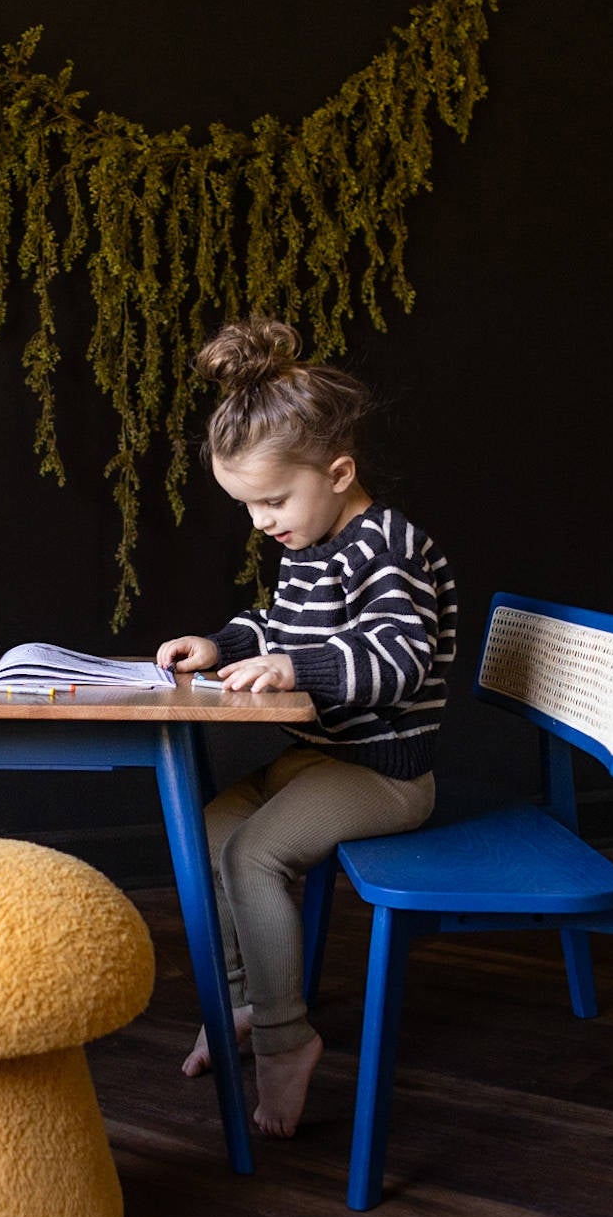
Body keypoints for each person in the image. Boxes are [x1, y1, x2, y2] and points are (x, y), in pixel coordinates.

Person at [156, 317, 457, 1138]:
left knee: (255, 853)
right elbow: (281, 622)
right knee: (212, 823)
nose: (261, 522)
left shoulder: (387, 548)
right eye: (247, 505)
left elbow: (397, 657)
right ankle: (245, 1000)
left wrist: (299, 669)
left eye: (273, 500)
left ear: (340, 471)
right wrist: (224, 643)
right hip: (319, 758)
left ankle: (289, 1040)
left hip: (386, 773)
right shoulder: (310, 546)